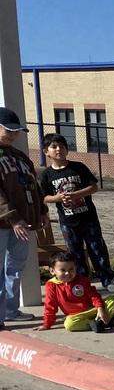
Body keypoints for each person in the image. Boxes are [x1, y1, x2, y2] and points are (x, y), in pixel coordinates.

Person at [37, 133, 114, 292]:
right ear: (46, 152)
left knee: (97, 249)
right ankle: (81, 282)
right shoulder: (46, 174)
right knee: (75, 252)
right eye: (54, 147)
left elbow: (93, 187)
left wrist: (77, 194)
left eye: (61, 146)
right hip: (68, 222)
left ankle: (107, 279)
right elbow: (45, 197)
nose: (58, 149)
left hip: (88, 218)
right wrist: (58, 198)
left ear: (67, 150)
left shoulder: (78, 167)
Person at [0, 107, 45, 327]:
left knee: (15, 268)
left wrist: (42, 212)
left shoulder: (19, 156)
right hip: (4, 223)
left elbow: (33, 185)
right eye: (9, 130)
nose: (13, 135)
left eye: (16, 131)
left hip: (23, 223)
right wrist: (12, 217)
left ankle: (9, 309)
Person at [33, 250, 114, 333]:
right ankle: (101, 323)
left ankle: (103, 318)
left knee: (113, 299)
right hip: (76, 316)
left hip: (93, 310)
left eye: (71, 269)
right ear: (52, 271)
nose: (67, 273)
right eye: (62, 270)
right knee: (69, 324)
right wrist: (47, 324)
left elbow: (93, 295)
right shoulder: (51, 285)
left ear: (75, 267)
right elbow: (50, 306)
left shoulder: (81, 280)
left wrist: (100, 308)